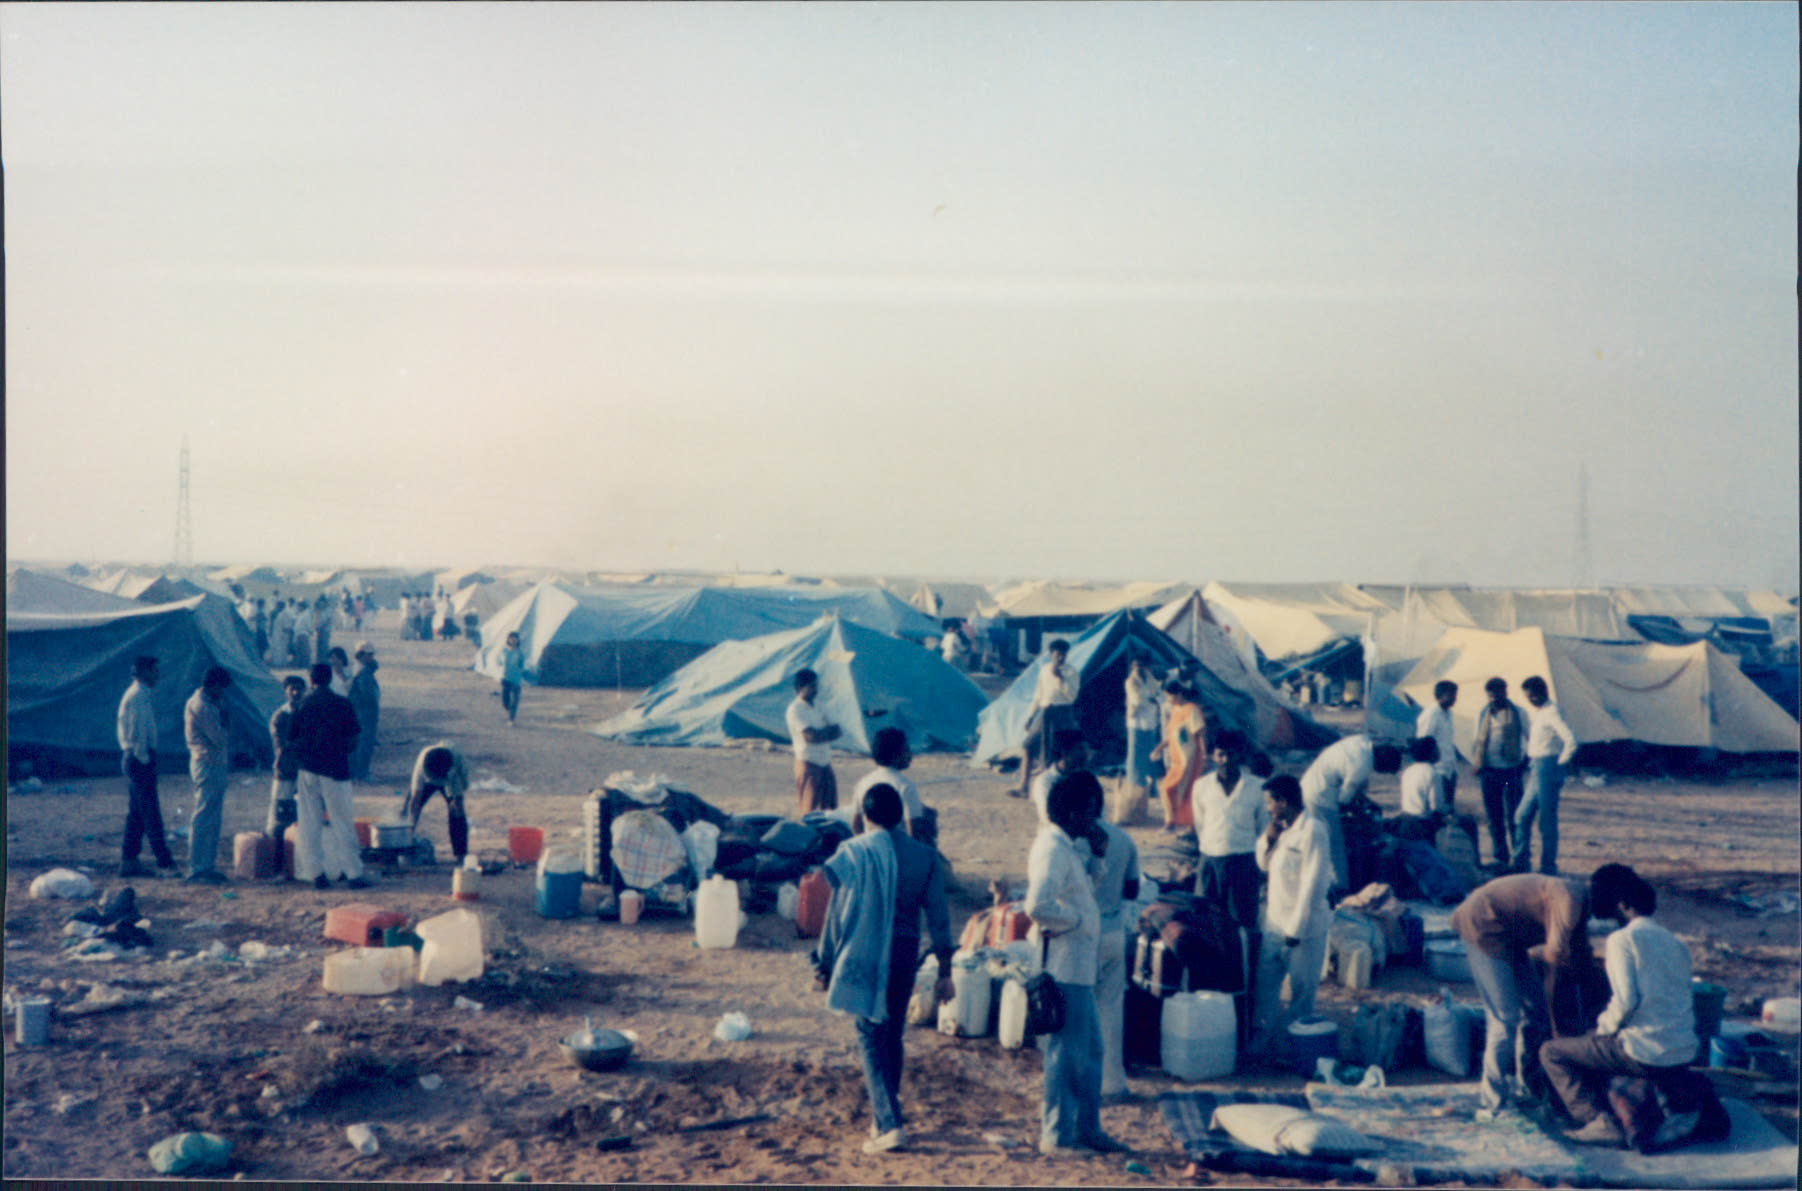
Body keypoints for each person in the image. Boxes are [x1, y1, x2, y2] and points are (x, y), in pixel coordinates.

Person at [812, 782, 957, 1155]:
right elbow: (940, 918)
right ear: (899, 815)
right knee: (891, 1033)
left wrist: (825, 959)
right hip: (906, 950)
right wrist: (945, 969)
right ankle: (885, 1113)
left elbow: (836, 913)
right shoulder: (924, 856)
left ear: (865, 816)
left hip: (866, 948)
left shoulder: (854, 851)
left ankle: (890, 1124)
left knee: (869, 1033)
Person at [1540, 865, 1698, 1146]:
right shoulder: (1675, 942)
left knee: (1552, 1052)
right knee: (1598, 1041)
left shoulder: (1622, 940)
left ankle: (1597, 1122)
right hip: (1683, 1049)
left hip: (1646, 1052)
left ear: (1622, 904)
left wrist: (1602, 1030)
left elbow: (1626, 1000)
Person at [1025, 771, 1128, 1157]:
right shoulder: (1051, 848)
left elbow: (1081, 891)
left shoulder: (1068, 846)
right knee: (1066, 1055)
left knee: (1091, 1052)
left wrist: (1098, 858)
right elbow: (1036, 906)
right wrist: (1079, 923)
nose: (1095, 820)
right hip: (1064, 967)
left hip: (1080, 965)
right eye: (1089, 812)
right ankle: (1058, 1135)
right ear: (1070, 813)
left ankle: (1088, 1128)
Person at [1452, 870, 1600, 1119]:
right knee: (1504, 1020)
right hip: (1482, 925)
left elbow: (1580, 956)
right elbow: (1553, 961)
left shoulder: (1582, 904)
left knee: (1535, 1015)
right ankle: (1493, 1103)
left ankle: (1525, 1087)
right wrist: (1557, 1018)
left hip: (1510, 937)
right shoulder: (1570, 898)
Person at [1252, 775, 1333, 1053]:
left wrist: (1295, 931)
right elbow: (1263, 864)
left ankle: (1293, 1048)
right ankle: (1265, 1041)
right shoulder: (1282, 830)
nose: (1267, 809)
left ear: (1283, 802)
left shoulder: (1313, 831)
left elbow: (1312, 884)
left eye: (1269, 803)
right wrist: (1268, 838)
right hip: (1274, 924)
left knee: (1301, 992)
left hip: (1304, 930)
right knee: (1266, 987)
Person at [1083, 777, 1140, 1103]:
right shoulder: (1123, 838)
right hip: (1114, 930)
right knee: (1111, 1009)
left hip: (1083, 936)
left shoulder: (1073, 843)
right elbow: (1132, 889)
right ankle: (1113, 1083)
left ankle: (1085, 1083)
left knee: (1080, 1012)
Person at [290, 661, 371, 890]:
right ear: (330, 678)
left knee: (309, 822)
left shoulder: (302, 704)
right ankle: (353, 873)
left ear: (311, 679)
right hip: (335, 769)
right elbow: (354, 739)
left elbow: (292, 739)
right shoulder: (342, 704)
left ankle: (316, 874)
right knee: (342, 821)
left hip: (308, 769)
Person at [1299, 733, 1403, 893]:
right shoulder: (1362, 767)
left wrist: (1365, 802)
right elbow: (1344, 800)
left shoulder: (1362, 742)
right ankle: (1340, 887)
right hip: (1320, 797)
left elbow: (1352, 786)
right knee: (1334, 844)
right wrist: (1363, 817)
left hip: (1312, 784)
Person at [1191, 729, 1268, 932]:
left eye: (1230, 754)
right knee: (1205, 922)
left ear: (1240, 754)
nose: (1225, 760)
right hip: (1210, 861)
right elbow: (1201, 824)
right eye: (1220, 754)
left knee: (1242, 924)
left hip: (1244, 862)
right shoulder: (1201, 787)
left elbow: (1263, 828)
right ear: (1213, 756)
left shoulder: (1257, 787)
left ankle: (1242, 963)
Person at [117, 655, 176, 877]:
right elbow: (137, 732)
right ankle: (164, 861)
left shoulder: (140, 694)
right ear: (144, 672)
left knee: (137, 813)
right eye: (154, 671)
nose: (158, 675)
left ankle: (129, 860)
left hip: (136, 757)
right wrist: (144, 759)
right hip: (139, 758)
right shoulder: (138, 696)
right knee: (151, 812)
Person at [1514, 676, 1579, 876]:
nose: (1530, 700)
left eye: (1533, 696)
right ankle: (1521, 862)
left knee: (1546, 821)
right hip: (1537, 766)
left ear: (1544, 692)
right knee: (1521, 816)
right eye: (1528, 697)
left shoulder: (1552, 712)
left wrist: (1560, 763)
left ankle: (1548, 867)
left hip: (1548, 766)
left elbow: (1571, 740)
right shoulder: (1542, 712)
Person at [1472, 677, 1529, 868]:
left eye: (1498, 693)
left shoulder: (1518, 712)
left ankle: (1519, 857)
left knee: (1515, 815)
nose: (1494, 698)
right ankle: (1500, 857)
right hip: (1490, 772)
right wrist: (1478, 763)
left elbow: (1530, 738)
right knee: (1494, 816)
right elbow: (1477, 740)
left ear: (1506, 692)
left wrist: (1523, 764)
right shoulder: (1483, 714)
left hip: (1511, 771)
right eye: (1491, 695)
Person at [1012, 639, 1079, 801]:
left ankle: (1056, 792)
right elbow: (1039, 694)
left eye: (1063, 655)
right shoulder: (1044, 670)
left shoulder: (1071, 672)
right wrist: (1030, 715)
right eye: (1057, 655)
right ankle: (1024, 786)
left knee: (1058, 753)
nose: (1060, 658)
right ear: (1051, 654)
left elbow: (1071, 696)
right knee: (1028, 746)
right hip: (1045, 712)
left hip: (1062, 712)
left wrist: (1061, 678)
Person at [851, 727, 928, 840]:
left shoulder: (863, 782)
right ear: (895, 756)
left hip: (873, 846)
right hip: (898, 849)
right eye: (906, 750)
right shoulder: (906, 786)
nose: (910, 755)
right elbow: (914, 831)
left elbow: (856, 825)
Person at [786, 668, 842, 815]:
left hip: (825, 762)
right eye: (811, 687)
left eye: (816, 686)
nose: (815, 690)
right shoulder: (795, 710)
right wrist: (825, 733)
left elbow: (838, 731)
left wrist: (820, 734)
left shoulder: (820, 706)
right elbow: (810, 737)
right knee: (809, 810)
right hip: (808, 763)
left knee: (830, 809)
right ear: (800, 687)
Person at [1152, 681, 1206, 833]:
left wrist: (1204, 754)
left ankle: (1185, 825)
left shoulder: (1192, 710)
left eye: (1170, 697)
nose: (1168, 700)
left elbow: (1200, 733)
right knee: (1170, 789)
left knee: (1184, 790)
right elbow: (1172, 735)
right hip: (1177, 760)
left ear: (1179, 694)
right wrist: (1159, 748)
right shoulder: (1176, 710)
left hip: (1191, 758)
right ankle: (1174, 822)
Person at [406, 741, 471, 864]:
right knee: (407, 810)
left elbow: (463, 785)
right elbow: (415, 801)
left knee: (457, 813)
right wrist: (409, 827)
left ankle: (461, 854)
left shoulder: (456, 762)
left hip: (450, 779)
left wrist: (456, 799)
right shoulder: (422, 764)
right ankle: (402, 846)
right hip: (430, 777)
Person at [266, 675, 306, 841]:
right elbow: (282, 746)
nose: (296, 692)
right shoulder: (281, 716)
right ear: (286, 691)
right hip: (286, 770)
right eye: (292, 689)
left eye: (299, 689)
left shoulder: (308, 712)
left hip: (304, 771)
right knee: (280, 815)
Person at [1122, 658, 1163, 811]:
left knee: (1151, 755)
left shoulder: (1149, 677)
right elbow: (1137, 700)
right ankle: (1135, 786)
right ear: (1133, 666)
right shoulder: (1130, 681)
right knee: (1135, 756)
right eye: (1136, 665)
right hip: (1136, 722)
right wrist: (1152, 699)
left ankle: (1150, 788)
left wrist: (1153, 699)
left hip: (1150, 721)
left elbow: (1159, 693)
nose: (1139, 668)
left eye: (1141, 665)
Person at [1029, 729, 1092, 824]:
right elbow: (1049, 817)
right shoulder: (1045, 781)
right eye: (1080, 748)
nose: (1086, 754)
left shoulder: (1087, 780)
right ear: (1065, 752)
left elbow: (1100, 814)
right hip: (1058, 835)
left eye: (1087, 749)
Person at [1418, 680, 1460, 811]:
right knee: (1436, 809)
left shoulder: (1449, 713)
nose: (1455, 698)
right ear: (1440, 696)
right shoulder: (1431, 714)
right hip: (1436, 770)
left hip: (1449, 769)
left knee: (1448, 808)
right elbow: (1423, 743)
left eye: (1455, 695)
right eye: (1451, 695)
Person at [347, 641, 380, 782]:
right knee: (365, 744)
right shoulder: (363, 673)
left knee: (358, 744)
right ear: (361, 655)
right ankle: (362, 773)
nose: (372, 658)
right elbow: (368, 697)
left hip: (359, 713)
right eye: (369, 655)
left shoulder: (357, 669)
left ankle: (357, 771)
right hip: (365, 714)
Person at [1399, 736, 1445, 817]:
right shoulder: (1433, 773)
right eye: (1437, 749)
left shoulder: (1408, 771)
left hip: (1406, 817)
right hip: (1423, 821)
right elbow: (1436, 807)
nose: (1439, 752)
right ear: (1430, 753)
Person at [498, 631, 525, 726]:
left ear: (518, 640)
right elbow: (499, 664)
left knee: (515, 700)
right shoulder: (504, 651)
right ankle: (509, 711)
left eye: (515, 638)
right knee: (505, 701)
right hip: (506, 678)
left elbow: (522, 665)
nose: (513, 640)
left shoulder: (520, 652)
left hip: (516, 680)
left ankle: (511, 719)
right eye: (511, 638)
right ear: (508, 640)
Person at [290, 598, 317, 669]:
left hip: (303, 634)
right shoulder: (302, 614)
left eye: (298, 607)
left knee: (304, 651)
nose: (297, 608)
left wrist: (310, 631)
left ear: (302, 607)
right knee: (300, 651)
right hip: (299, 634)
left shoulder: (306, 614)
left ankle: (305, 665)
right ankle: (300, 665)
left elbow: (308, 625)